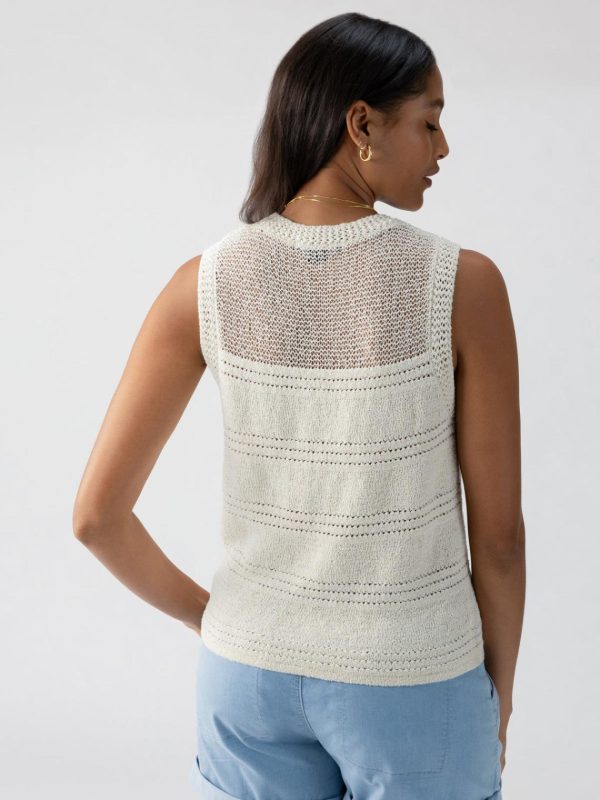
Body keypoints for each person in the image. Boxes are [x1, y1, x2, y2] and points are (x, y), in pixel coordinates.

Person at [72, 11, 525, 800]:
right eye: (429, 121)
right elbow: (500, 539)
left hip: (243, 681)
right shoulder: (463, 286)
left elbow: (95, 518)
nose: (443, 149)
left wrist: (223, 622)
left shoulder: (202, 284)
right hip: (413, 677)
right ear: (362, 125)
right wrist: (500, 696)